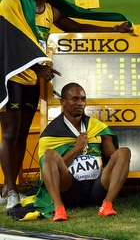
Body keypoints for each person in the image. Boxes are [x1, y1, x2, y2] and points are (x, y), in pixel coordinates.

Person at [0, 0, 135, 211]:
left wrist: (114, 30)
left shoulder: (50, 10)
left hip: (33, 81)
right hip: (12, 78)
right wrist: (36, 66)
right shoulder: (12, 3)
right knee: (9, 134)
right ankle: (10, 190)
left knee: (21, 135)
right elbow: (8, 39)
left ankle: (9, 186)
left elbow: (78, 27)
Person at [34, 83, 131, 221]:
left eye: (83, 99)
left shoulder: (97, 128)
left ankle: (107, 204)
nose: (80, 103)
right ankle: (59, 207)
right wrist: (76, 149)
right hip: (70, 189)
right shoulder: (51, 134)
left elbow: (113, 158)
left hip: (97, 187)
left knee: (124, 152)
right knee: (49, 154)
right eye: (74, 99)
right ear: (63, 102)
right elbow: (50, 169)